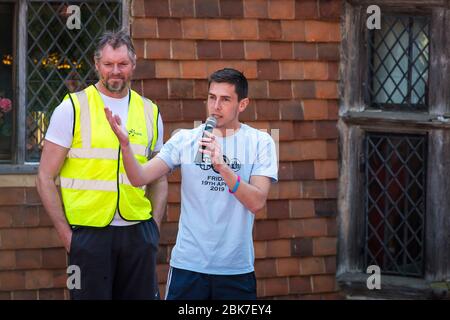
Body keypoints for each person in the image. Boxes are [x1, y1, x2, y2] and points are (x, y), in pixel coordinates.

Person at [105, 68, 278, 300]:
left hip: (235, 270)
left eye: (225, 99)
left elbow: (257, 202)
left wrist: (223, 168)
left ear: (243, 104)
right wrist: (125, 147)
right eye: (211, 97)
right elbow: (138, 178)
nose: (216, 106)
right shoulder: (184, 139)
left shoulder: (260, 142)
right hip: (189, 266)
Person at [36, 30, 167, 300]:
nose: (115, 71)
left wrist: (153, 227)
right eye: (108, 64)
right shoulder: (72, 107)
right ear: (97, 65)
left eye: (122, 64)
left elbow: (159, 178)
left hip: (138, 235)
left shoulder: (150, 111)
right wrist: (68, 237)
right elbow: (44, 177)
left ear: (133, 64)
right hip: (88, 237)